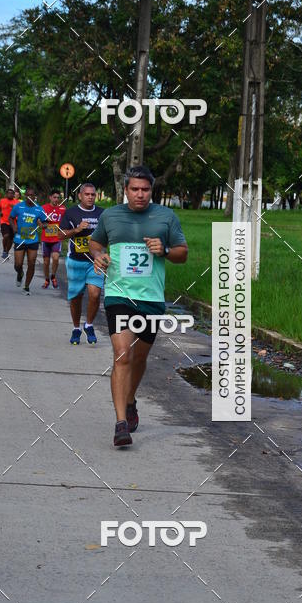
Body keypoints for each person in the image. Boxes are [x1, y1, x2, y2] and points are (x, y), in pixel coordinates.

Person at [89, 166, 188, 448]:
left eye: (145, 189)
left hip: (151, 299)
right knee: (123, 355)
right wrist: (99, 256)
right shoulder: (111, 216)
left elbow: (182, 253)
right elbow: (95, 243)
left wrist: (165, 250)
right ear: (126, 190)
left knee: (139, 358)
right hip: (119, 296)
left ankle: (130, 399)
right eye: (135, 189)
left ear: (151, 191)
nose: (140, 194)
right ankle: (121, 423)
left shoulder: (166, 217)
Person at [60, 182, 104, 345]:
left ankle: (89, 325)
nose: (90, 197)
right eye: (87, 194)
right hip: (76, 261)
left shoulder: (102, 213)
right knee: (76, 297)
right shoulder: (71, 213)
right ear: (80, 195)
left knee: (95, 294)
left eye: (93, 194)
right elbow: (60, 235)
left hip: (96, 262)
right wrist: (77, 230)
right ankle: (76, 328)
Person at [9, 187, 48, 294]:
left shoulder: (39, 209)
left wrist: (43, 225)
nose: (30, 197)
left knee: (31, 263)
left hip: (32, 240)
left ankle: (26, 287)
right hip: (19, 239)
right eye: (28, 195)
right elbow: (11, 218)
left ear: (35, 197)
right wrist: (14, 227)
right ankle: (20, 273)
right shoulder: (18, 206)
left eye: (32, 195)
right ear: (25, 196)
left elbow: (46, 222)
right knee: (18, 264)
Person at [41, 189, 66, 288]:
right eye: (54, 197)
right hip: (46, 238)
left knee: (55, 258)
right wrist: (43, 223)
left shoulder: (63, 209)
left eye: (58, 198)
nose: (56, 199)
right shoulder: (44, 208)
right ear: (50, 197)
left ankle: (53, 276)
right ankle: (47, 279)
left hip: (57, 238)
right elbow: (38, 221)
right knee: (46, 262)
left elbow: (66, 221)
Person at [0, 188, 20, 258]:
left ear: (14, 195)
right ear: (6, 194)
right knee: (6, 236)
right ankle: (4, 250)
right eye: (9, 193)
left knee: (11, 239)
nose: (10, 194)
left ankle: (7, 252)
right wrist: (0, 213)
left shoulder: (17, 202)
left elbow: (20, 212)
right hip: (4, 221)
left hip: (13, 223)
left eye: (12, 193)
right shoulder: (2, 200)